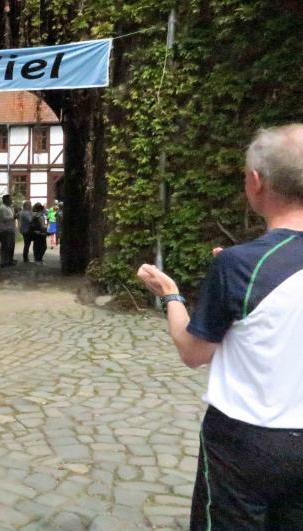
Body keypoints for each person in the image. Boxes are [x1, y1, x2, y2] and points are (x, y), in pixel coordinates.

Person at [137, 124, 303, 530]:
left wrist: (171, 295)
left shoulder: (239, 265)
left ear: (255, 182)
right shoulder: (245, 266)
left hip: (247, 441)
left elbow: (193, 352)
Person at [0, 194, 16, 267]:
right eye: (10, 199)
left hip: (10, 229)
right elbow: (3, 218)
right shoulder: (2, 208)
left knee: (11, 246)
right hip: (5, 230)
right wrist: (13, 217)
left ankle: (9, 260)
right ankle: (3, 262)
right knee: (5, 246)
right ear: (6, 200)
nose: (11, 200)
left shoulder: (9, 208)